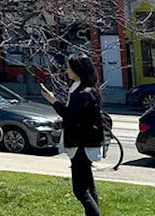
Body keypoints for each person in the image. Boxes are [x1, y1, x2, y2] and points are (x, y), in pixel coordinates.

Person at [40, 54, 104, 216]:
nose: (66, 70)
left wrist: (53, 100)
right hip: (83, 143)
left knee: (80, 190)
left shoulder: (84, 93)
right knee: (89, 186)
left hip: (82, 144)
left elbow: (70, 115)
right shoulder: (80, 88)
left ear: (78, 70)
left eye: (69, 67)